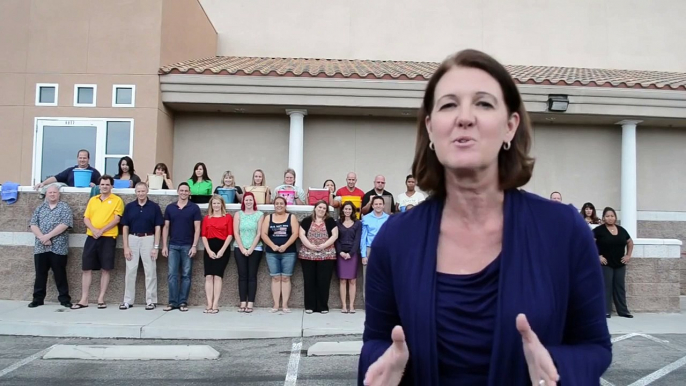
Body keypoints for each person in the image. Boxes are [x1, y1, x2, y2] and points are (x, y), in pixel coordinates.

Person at [359, 49, 611, 385]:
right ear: (431, 129)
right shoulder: (395, 239)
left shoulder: (564, 230)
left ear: (510, 127)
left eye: (483, 103)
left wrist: (557, 366)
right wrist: (384, 365)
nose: (465, 117)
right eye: (449, 104)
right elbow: (377, 341)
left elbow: (595, 346)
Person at [72, 175, 124, 310]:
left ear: (112, 186)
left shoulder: (117, 200)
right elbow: (86, 218)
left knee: (106, 268)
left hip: (108, 238)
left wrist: (102, 230)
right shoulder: (93, 200)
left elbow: (117, 219)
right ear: (99, 186)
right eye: (102, 184)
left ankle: (101, 298)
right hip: (92, 237)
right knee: (86, 268)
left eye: (107, 184)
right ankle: (84, 299)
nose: (105, 187)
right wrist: (94, 230)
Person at [28, 184, 74, 308]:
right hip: (41, 247)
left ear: (58, 194)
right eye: (50, 193)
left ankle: (64, 299)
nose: (52, 194)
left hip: (58, 248)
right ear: (46, 194)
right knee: (40, 274)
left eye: (54, 192)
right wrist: (42, 238)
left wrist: (48, 236)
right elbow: (33, 224)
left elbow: (65, 224)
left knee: (60, 274)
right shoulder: (40, 208)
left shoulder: (64, 207)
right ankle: (37, 299)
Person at [120, 182, 163, 310]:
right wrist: (126, 247)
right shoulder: (129, 207)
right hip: (132, 238)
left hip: (148, 238)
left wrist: (156, 247)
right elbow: (125, 227)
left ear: (147, 191)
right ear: (135, 192)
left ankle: (151, 300)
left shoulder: (154, 207)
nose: (141, 194)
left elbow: (158, 227)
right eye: (138, 191)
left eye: (143, 191)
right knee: (130, 271)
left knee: (150, 270)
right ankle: (128, 300)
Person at [162, 182, 202, 312]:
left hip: (187, 246)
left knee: (186, 275)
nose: (184, 192)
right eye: (182, 190)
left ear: (189, 193)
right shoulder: (170, 208)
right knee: (172, 275)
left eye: (186, 191)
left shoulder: (194, 208)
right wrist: (164, 246)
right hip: (173, 245)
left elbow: (197, 229)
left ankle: (183, 302)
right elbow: (166, 227)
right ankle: (172, 302)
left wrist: (194, 246)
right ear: (178, 192)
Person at [298, 200, 339, 314]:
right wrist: (310, 246)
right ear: (315, 208)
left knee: (324, 281)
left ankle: (322, 306)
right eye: (319, 207)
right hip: (307, 255)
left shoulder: (330, 221)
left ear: (326, 211)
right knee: (309, 281)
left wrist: (323, 246)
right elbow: (301, 234)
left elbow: (335, 235)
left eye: (324, 208)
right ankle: (309, 306)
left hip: (326, 255)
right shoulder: (306, 220)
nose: (321, 210)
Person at [261, 196, 299, 313]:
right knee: (276, 277)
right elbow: (263, 234)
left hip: (288, 253)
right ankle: (276, 305)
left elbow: (295, 233)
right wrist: (272, 245)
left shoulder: (291, 217)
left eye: (281, 203)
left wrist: (285, 246)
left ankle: (285, 305)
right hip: (272, 253)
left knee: (286, 278)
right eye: (276, 203)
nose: (279, 205)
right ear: (274, 205)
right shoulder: (269, 218)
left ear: (285, 205)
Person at [594, 207, 634, 319]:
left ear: (615, 217)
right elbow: (589, 243)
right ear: (603, 218)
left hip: (620, 264)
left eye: (612, 216)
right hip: (606, 264)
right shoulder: (598, 230)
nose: (610, 218)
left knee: (620, 287)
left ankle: (623, 311)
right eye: (607, 216)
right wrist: (598, 256)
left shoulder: (622, 230)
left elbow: (630, 242)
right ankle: (606, 311)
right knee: (606, 287)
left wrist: (628, 255)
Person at [201, 195, 234, 314]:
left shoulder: (228, 217)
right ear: (211, 205)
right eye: (214, 203)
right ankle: (209, 303)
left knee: (218, 276)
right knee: (209, 276)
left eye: (218, 203)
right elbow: (203, 235)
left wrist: (222, 250)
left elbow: (230, 234)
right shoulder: (207, 218)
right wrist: (209, 250)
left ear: (222, 205)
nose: (216, 206)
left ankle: (216, 304)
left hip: (222, 247)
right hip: (209, 247)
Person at [233, 192, 265, 313]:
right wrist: (242, 248)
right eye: (246, 200)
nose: (248, 202)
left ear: (254, 201)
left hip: (255, 249)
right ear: (243, 202)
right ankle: (242, 303)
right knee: (242, 276)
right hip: (239, 248)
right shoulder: (238, 214)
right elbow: (236, 232)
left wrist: (251, 248)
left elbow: (259, 233)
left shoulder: (259, 215)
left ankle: (250, 303)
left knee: (252, 276)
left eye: (250, 200)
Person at [360, 196, 390, 300]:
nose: (378, 206)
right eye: (376, 204)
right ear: (372, 205)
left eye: (380, 204)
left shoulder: (388, 219)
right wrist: (363, 255)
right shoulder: (366, 218)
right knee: (367, 278)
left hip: (384, 251)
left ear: (383, 205)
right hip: (370, 249)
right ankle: (367, 302)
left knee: (383, 278)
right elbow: (363, 238)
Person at [335, 201, 362, 313]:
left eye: (349, 209)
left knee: (352, 280)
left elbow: (357, 240)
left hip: (353, 254)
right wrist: (340, 252)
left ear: (353, 211)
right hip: (340, 253)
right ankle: (343, 306)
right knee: (342, 280)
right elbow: (336, 239)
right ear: (342, 210)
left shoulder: (358, 223)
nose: (347, 211)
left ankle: (351, 306)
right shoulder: (338, 223)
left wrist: (350, 253)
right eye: (345, 209)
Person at [34, 149, 101, 189]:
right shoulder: (70, 171)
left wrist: (95, 187)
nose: (82, 160)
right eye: (80, 158)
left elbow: (102, 186)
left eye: (84, 158)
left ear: (88, 159)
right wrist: (43, 183)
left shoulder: (94, 172)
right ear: (77, 158)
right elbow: (56, 178)